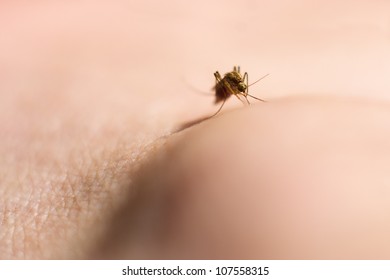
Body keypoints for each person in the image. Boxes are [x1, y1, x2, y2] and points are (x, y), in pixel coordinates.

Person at [1, 1, 390, 259]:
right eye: (239, 86)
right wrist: (228, 93)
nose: (241, 86)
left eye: (240, 87)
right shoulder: (228, 84)